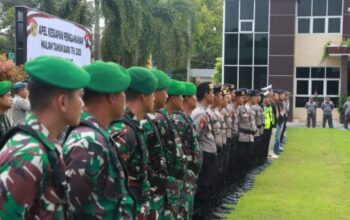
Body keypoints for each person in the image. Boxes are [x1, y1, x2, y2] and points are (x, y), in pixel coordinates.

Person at [0, 56, 90, 219]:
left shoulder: (46, 144)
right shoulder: (28, 155)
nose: (83, 104)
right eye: (80, 96)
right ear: (63, 101)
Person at [63, 61, 136, 219]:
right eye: (123, 92)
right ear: (112, 97)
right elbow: (71, 209)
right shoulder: (88, 142)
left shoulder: (98, 135)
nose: (126, 98)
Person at [109, 67, 157, 219]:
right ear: (143, 97)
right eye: (153, 94)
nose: (155, 98)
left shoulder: (134, 126)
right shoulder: (124, 130)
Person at [155, 79, 187, 219]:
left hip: (174, 180)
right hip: (165, 181)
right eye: (180, 96)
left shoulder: (166, 118)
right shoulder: (160, 119)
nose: (182, 99)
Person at [174, 82, 202, 220]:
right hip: (184, 174)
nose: (196, 99)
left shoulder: (186, 118)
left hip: (190, 173)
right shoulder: (179, 119)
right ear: (186, 99)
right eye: (194, 96)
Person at [145, 69, 170, 219]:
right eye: (164, 91)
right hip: (148, 194)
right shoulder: (131, 128)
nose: (167, 95)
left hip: (157, 190)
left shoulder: (152, 120)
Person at [191, 82, 216, 220]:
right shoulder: (199, 112)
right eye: (211, 93)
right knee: (202, 188)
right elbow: (193, 135)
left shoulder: (203, 111)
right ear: (206, 94)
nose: (213, 96)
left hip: (208, 154)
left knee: (207, 187)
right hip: (204, 155)